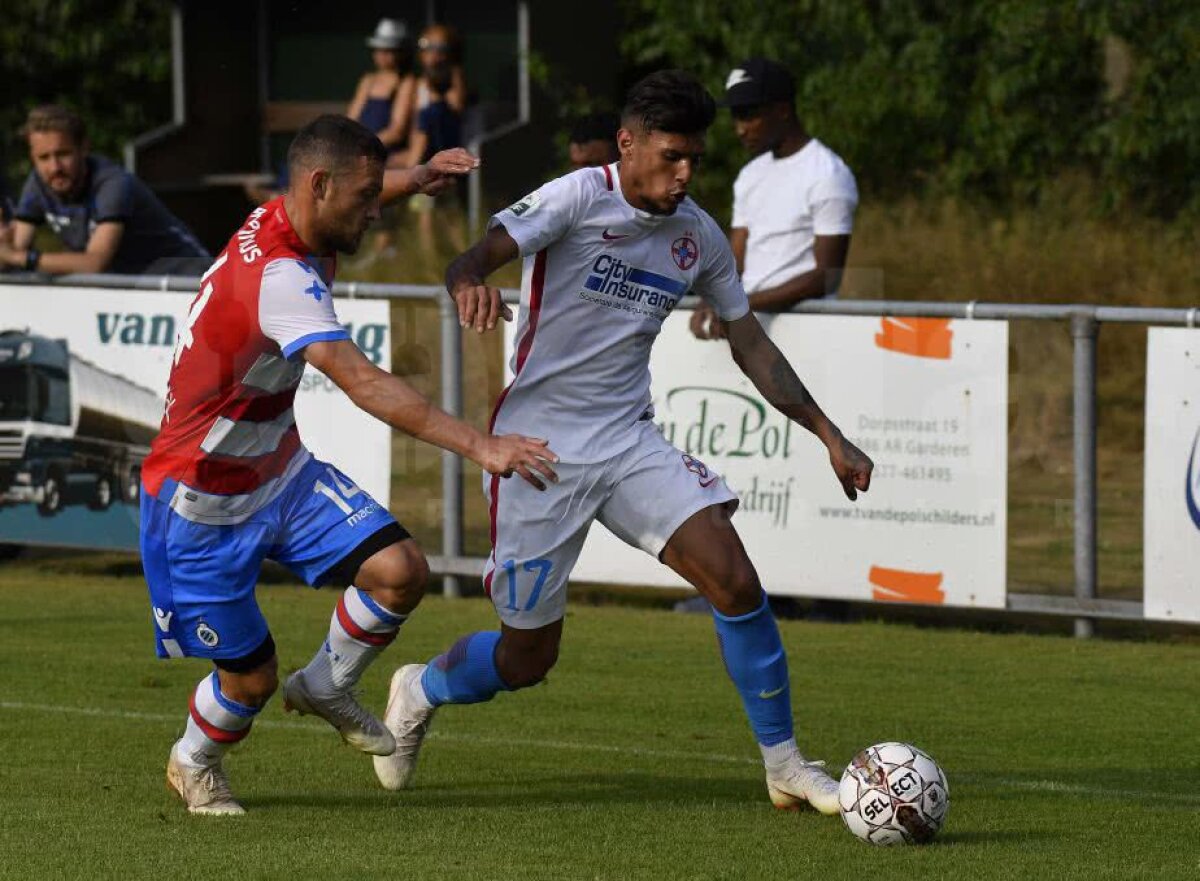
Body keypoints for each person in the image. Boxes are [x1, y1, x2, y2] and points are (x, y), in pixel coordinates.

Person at [371, 70, 874, 816]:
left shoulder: (697, 234)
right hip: (536, 451)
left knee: (735, 581)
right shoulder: (577, 195)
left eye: (695, 159)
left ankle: (785, 763)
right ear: (627, 143)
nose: (684, 174)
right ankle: (421, 687)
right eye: (671, 155)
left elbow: (750, 344)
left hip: (629, 440)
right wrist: (468, 281)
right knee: (527, 656)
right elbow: (471, 257)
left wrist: (829, 433)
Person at [141, 115, 557, 816]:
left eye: (377, 193)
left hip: (280, 473)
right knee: (250, 681)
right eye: (365, 197)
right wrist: (481, 445)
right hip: (198, 504)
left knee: (400, 570)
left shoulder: (289, 216)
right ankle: (194, 760)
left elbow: (356, 184)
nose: (373, 210)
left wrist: (416, 179)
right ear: (319, 186)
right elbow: (363, 383)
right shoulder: (280, 277)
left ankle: (328, 684)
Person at [690, 58, 858, 341]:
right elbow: (735, 261)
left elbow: (825, 277)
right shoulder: (750, 174)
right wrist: (712, 297)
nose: (739, 128)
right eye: (735, 116)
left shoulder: (828, 173)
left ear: (781, 110)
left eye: (748, 115)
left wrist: (741, 306)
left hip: (807, 334)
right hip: (751, 328)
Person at [0, 105, 210, 275]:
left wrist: (19, 257)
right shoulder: (38, 182)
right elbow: (13, 249)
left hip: (188, 279)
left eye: (63, 154)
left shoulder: (112, 184)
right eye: (44, 158)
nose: (55, 168)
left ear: (84, 148)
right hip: (134, 285)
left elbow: (94, 263)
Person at [347, 18, 416, 156]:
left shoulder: (407, 82)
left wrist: (363, 146)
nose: (382, 54)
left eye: (389, 50)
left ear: (402, 52)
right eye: (378, 49)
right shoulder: (368, 80)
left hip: (383, 155)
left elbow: (396, 131)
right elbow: (350, 120)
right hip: (356, 152)